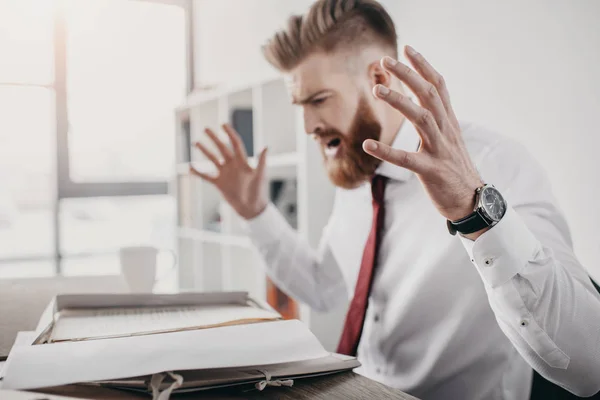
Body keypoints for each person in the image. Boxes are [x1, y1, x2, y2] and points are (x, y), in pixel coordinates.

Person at [190, 0, 600, 398]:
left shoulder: (494, 165)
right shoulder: (359, 173)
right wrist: (256, 214)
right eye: (301, 105)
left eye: (318, 100)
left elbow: (590, 362)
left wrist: (472, 211)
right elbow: (325, 289)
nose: (309, 126)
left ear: (379, 81)